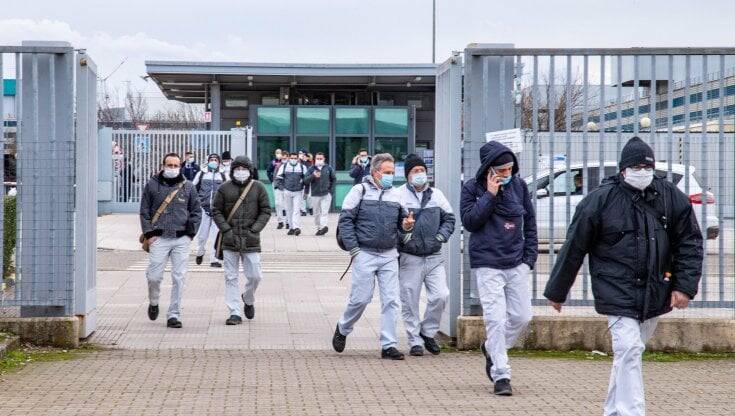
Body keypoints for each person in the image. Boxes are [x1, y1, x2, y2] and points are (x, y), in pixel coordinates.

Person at [544, 137, 703, 416]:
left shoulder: (670, 197)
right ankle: (633, 412)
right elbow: (574, 247)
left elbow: (689, 243)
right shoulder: (599, 201)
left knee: (630, 353)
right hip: (615, 288)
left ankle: (613, 411)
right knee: (629, 349)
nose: (641, 171)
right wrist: (558, 291)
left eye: (646, 166)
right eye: (636, 166)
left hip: (656, 290)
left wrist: (684, 287)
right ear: (623, 170)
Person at [459, 141, 538, 396]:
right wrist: (490, 196)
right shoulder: (472, 188)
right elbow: (470, 221)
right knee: (495, 319)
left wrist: (529, 260)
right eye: (501, 170)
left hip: (516, 263)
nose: (506, 174)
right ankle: (501, 375)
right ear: (489, 169)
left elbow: (531, 224)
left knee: (522, 316)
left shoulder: (519, 186)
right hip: (487, 264)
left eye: (510, 169)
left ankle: (492, 347)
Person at [332, 153, 411, 360]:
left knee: (391, 301)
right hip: (364, 253)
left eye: (393, 173)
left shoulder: (397, 195)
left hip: (388, 254)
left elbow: (403, 225)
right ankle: (343, 327)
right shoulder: (359, 190)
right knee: (360, 299)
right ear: (375, 172)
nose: (391, 176)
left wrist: (407, 227)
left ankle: (388, 345)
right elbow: (345, 221)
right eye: (387, 172)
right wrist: (354, 249)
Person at [396, 154, 456, 357]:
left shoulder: (437, 195)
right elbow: (393, 226)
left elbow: (450, 219)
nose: (420, 174)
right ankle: (414, 341)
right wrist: (404, 233)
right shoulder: (398, 196)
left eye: (422, 170)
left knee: (441, 295)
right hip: (409, 257)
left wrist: (440, 237)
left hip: (433, 256)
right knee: (409, 299)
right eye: (415, 171)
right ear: (407, 175)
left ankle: (427, 331)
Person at [140, 153, 202, 329]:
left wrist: (191, 233)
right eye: (170, 165)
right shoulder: (152, 185)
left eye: (176, 166)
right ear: (163, 165)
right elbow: (144, 211)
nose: (173, 169)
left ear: (180, 167)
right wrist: (149, 234)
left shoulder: (188, 187)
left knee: (179, 277)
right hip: (158, 237)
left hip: (181, 238)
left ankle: (174, 314)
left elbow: (196, 211)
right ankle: (154, 302)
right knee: (154, 276)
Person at [212, 156, 272, 325]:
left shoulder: (258, 188)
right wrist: (226, 230)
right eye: (237, 168)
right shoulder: (224, 188)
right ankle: (234, 312)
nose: (240, 172)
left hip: (251, 239)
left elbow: (266, 210)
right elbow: (216, 210)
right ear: (232, 170)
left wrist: (255, 229)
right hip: (229, 239)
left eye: (243, 168)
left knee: (255, 276)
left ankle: (248, 298)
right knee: (230, 277)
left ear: (250, 170)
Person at [192, 153, 228, 267]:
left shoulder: (223, 175)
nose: (213, 161)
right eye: (211, 159)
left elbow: (229, 190)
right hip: (203, 208)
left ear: (219, 162)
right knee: (202, 235)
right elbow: (192, 188)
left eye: (215, 159)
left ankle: (214, 259)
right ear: (208, 161)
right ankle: (200, 252)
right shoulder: (201, 173)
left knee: (215, 235)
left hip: (218, 210)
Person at [274, 152, 308, 236]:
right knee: (289, 210)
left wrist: (306, 191)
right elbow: (278, 179)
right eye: (292, 158)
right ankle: (291, 228)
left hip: (298, 191)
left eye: (295, 158)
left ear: (298, 159)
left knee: (296, 210)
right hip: (287, 191)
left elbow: (306, 180)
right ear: (289, 158)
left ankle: (296, 227)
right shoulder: (284, 166)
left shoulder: (302, 167)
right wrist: (283, 189)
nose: (293, 160)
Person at [303, 152, 336, 235]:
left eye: (321, 158)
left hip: (326, 194)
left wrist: (330, 191)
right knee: (316, 213)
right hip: (315, 194)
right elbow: (305, 180)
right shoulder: (311, 169)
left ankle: (323, 227)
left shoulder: (328, 168)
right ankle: (319, 227)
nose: (319, 160)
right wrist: (313, 176)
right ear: (315, 159)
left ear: (324, 159)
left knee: (324, 212)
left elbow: (334, 179)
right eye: (318, 158)